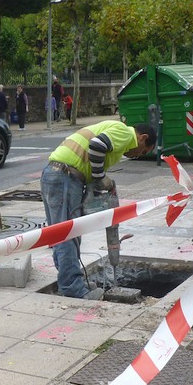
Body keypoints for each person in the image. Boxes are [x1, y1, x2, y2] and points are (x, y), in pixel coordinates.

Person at [41, 121, 157, 300]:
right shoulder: (126, 133)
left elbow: (94, 152)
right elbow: (96, 145)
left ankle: (69, 282)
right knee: (67, 235)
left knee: (60, 234)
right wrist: (100, 177)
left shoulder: (115, 131)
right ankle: (73, 288)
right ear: (143, 138)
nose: (137, 156)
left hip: (57, 174)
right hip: (65, 176)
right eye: (142, 151)